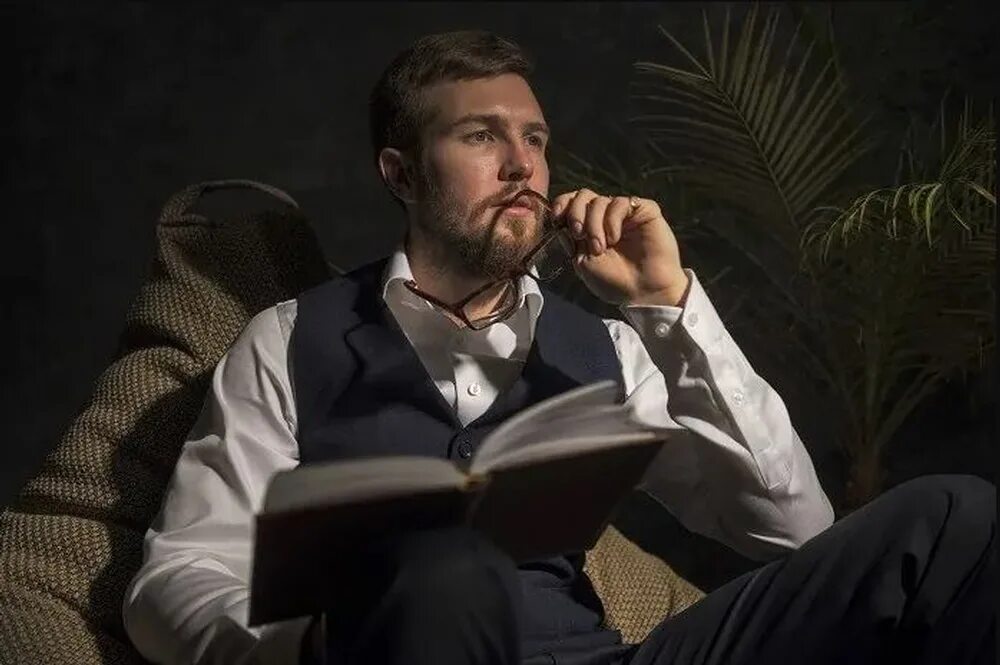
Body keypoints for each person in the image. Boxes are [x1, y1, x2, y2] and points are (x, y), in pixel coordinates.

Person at [122, 30, 995, 665]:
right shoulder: (289, 339)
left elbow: (793, 527)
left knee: (951, 517)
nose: (522, 166)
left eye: (534, 139)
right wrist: (313, 643)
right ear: (400, 173)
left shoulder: (610, 347)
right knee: (439, 563)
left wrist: (666, 304)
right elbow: (179, 576)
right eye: (481, 136)